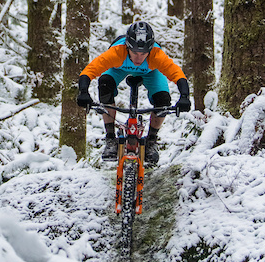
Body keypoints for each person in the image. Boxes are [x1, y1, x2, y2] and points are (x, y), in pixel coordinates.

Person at [76, 21, 191, 164]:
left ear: (150, 50)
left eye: (143, 53)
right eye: (135, 52)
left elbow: (177, 74)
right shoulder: (117, 52)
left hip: (150, 72)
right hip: (119, 68)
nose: (138, 58)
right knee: (105, 84)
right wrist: (83, 92)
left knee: (163, 99)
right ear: (127, 47)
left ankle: (151, 141)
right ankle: (110, 139)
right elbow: (90, 70)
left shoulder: (156, 55)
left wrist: (184, 96)